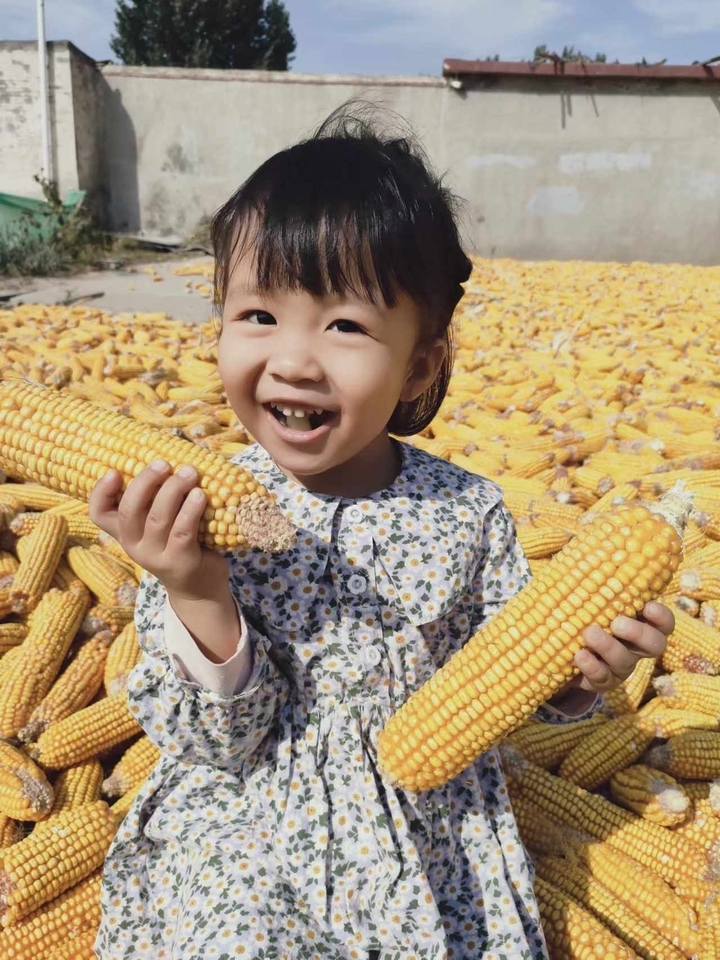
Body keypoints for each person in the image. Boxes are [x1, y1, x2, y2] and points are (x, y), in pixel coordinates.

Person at [89, 101, 673, 960]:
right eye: (258, 316)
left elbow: (512, 691)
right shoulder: (187, 513)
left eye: (345, 326)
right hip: (251, 829)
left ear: (420, 367)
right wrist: (193, 589)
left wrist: (580, 676)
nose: (293, 358)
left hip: (420, 829)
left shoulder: (466, 514)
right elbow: (219, 742)